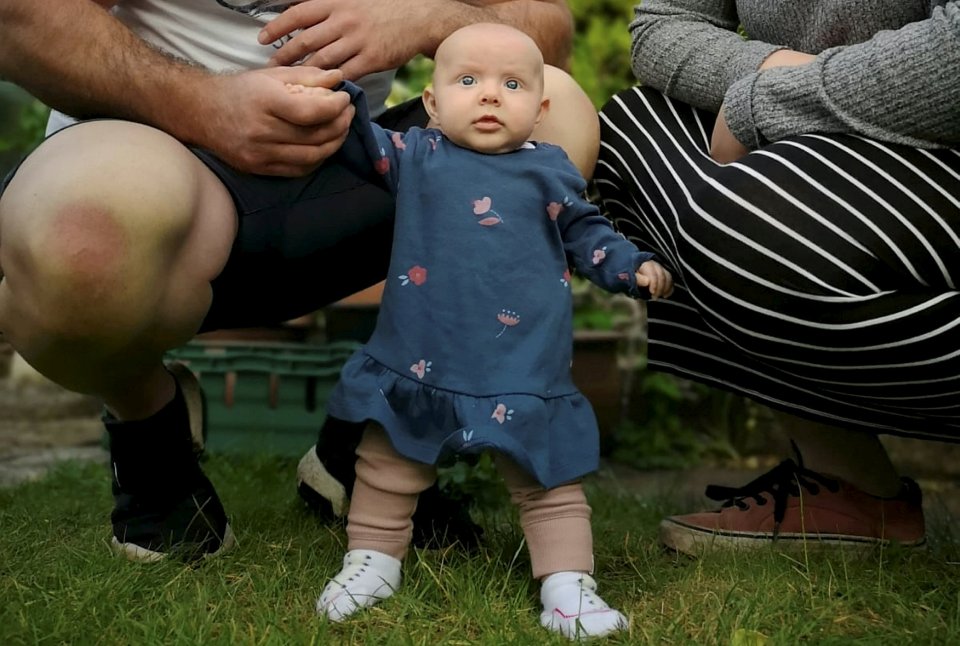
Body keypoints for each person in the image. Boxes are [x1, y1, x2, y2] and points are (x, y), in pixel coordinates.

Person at [0, 0, 601, 561]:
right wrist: (201, 104)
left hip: (355, 164)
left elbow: (543, 27)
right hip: (148, 157)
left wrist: (424, 19)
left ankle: (370, 436)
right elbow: (20, 17)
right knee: (77, 249)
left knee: (559, 120)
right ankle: (148, 430)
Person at [304, 23, 672, 639]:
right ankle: (371, 560)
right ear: (432, 102)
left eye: (512, 84)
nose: (490, 96)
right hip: (422, 356)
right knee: (388, 466)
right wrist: (336, 92)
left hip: (521, 366)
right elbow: (359, 142)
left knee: (548, 481)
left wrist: (631, 268)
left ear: (541, 107)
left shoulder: (549, 173)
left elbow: (587, 236)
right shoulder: (416, 155)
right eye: (468, 81)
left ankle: (567, 584)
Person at [594, 0, 959, 555]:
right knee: (635, 127)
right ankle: (848, 487)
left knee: (742, 217)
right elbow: (664, 24)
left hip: (943, 148)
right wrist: (780, 67)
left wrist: (772, 99)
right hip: (834, 143)